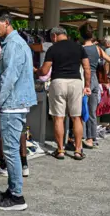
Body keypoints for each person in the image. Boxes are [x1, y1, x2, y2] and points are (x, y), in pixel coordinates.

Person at [0, 10, 35, 211]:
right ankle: (13, 190)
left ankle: (17, 196)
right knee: (10, 149)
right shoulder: (14, 43)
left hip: (12, 104)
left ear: (7, 23)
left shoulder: (14, 45)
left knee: (10, 150)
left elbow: (9, 77)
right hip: (14, 102)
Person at [39, 27, 90, 161]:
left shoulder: (53, 49)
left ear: (54, 36)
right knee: (76, 117)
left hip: (58, 82)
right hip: (75, 82)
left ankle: (60, 150)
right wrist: (87, 85)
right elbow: (86, 68)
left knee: (59, 117)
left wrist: (36, 71)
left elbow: (44, 71)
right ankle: (78, 150)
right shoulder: (79, 47)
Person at [79, 25, 109, 149]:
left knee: (83, 110)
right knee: (92, 111)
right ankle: (92, 137)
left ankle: (86, 137)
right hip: (96, 79)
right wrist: (108, 75)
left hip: (85, 79)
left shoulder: (81, 49)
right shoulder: (97, 49)